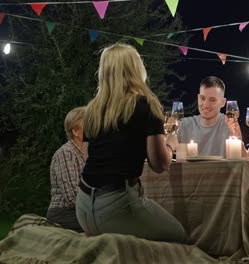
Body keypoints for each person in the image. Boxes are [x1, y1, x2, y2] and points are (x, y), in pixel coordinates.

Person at [75, 43, 186, 242]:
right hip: (115, 205)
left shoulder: (91, 110)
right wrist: (170, 143)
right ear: (136, 70)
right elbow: (159, 165)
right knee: (178, 236)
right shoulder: (146, 105)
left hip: (83, 208)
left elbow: (88, 158)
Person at [46, 106, 87, 232]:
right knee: (105, 225)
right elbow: (72, 197)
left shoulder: (86, 153)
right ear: (75, 131)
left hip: (81, 210)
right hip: (63, 212)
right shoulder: (66, 153)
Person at [177, 76, 230, 157]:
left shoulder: (230, 126)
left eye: (212, 100)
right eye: (202, 98)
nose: (205, 105)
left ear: (223, 102)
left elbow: (242, 161)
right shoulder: (183, 125)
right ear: (198, 98)